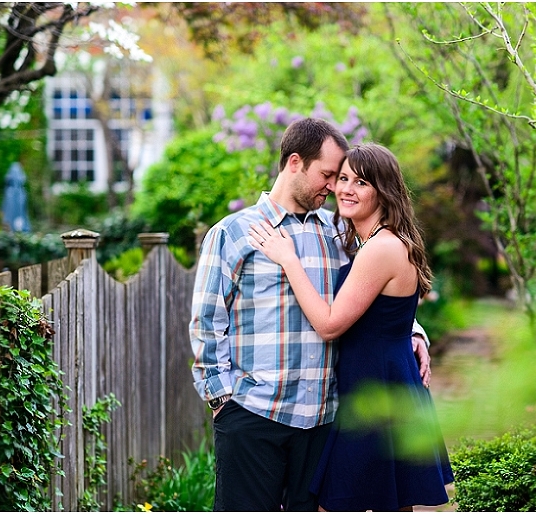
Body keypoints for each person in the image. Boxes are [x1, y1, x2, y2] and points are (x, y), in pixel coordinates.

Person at [189, 119, 432, 511]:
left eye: (343, 178)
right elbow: (207, 321)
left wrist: (413, 333)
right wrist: (223, 401)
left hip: (322, 421)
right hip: (255, 414)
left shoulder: (339, 234)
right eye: (329, 175)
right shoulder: (235, 232)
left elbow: (374, 296)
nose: (336, 187)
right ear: (296, 163)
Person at [249, 143, 454, 511]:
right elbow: (386, 313)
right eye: (342, 178)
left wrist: (288, 259)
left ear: (383, 190)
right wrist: (414, 330)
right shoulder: (371, 242)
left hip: (376, 388)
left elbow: (329, 325)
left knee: (360, 501)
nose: (345, 189)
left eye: (360, 183)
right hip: (377, 379)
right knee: (383, 500)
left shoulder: (380, 247)